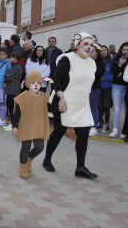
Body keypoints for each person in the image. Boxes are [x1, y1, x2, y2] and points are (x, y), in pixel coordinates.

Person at [42, 32, 98, 180]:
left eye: (91, 45)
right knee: (59, 132)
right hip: (64, 101)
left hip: (82, 104)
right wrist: (60, 98)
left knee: (84, 135)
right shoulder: (67, 59)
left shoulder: (92, 63)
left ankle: (80, 168)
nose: (89, 47)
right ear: (78, 44)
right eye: (86, 44)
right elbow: (56, 79)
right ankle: (47, 160)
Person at [12, 70, 57, 179]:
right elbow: (16, 114)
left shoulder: (42, 96)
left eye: (38, 83)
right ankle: (23, 167)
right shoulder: (22, 97)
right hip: (26, 126)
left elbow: (49, 107)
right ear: (27, 84)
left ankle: (29, 159)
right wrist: (15, 126)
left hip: (38, 126)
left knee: (39, 147)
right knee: (25, 148)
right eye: (33, 83)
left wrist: (59, 110)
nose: (36, 85)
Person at [109, 42, 128, 138]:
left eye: (127, 50)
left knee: (127, 109)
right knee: (116, 108)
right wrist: (120, 64)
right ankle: (115, 129)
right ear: (121, 50)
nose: (125, 51)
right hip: (117, 86)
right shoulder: (116, 59)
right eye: (124, 49)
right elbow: (114, 73)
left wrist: (121, 73)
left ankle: (125, 131)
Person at [3, 51, 24, 132]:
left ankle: (13, 124)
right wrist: (7, 75)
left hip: (13, 90)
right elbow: (9, 75)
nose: (10, 59)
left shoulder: (17, 67)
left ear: (15, 58)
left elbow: (8, 76)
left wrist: (6, 75)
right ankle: (12, 124)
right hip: (12, 89)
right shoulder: (16, 66)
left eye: (11, 57)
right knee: (11, 107)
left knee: (12, 109)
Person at [88, 44, 105, 136]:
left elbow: (97, 76)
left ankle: (94, 127)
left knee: (93, 107)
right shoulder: (85, 61)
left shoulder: (100, 63)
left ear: (97, 53)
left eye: (93, 51)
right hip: (84, 88)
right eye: (89, 50)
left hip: (94, 88)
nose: (91, 52)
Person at [98, 45, 113, 132]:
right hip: (99, 87)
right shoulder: (98, 61)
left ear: (107, 51)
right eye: (101, 51)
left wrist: (105, 78)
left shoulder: (110, 62)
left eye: (104, 50)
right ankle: (100, 121)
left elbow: (114, 75)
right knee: (99, 106)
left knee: (106, 106)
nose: (103, 52)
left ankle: (106, 124)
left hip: (107, 87)